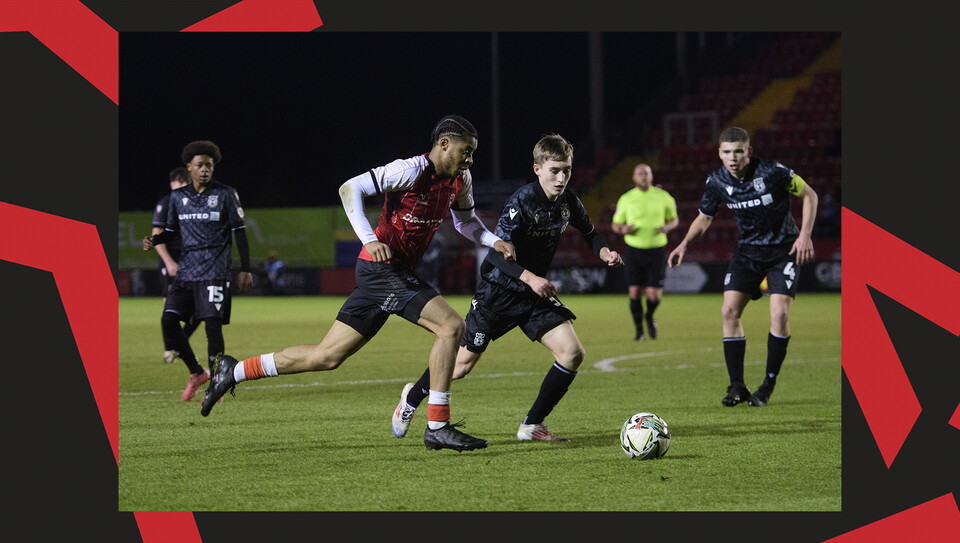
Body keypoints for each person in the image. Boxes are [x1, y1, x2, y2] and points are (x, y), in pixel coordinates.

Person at [199, 114, 516, 452]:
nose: (470, 159)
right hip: (382, 270)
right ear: (443, 144)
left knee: (326, 356)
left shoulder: (460, 179)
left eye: (472, 153)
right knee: (452, 327)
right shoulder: (409, 170)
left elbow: (465, 221)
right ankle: (437, 426)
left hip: (388, 273)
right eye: (465, 151)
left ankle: (233, 371)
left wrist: (492, 240)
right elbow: (349, 188)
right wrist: (368, 239)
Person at [392, 133, 623, 442]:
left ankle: (532, 425)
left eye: (566, 170)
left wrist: (605, 252)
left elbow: (591, 232)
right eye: (555, 170)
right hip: (497, 294)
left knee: (572, 353)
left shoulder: (569, 201)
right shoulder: (522, 202)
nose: (561, 177)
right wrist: (531, 277)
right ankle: (411, 398)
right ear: (537, 169)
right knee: (459, 367)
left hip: (533, 296)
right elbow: (495, 255)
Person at [667, 127, 818, 407]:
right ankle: (737, 385)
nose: (733, 157)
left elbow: (810, 195)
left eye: (738, 151)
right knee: (728, 311)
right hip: (747, 252)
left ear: (748, 151)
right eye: (727, 152)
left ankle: (768, 385)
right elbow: (704, 217)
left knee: (780, 315)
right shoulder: (716, 181)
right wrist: (684, 244)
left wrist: (805, 234)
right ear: (720, 154)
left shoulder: (774, 171)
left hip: (782, 251)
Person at [143, 140, 253, 401]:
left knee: (212, 329)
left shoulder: (226, 194)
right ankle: (196, 371)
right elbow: (171, 231)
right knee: (168, 321)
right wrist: (155, 240)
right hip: (186, 273)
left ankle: (217, 382)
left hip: (215, 272)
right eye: (200, 165)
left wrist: (245, 269)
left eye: (209, 165)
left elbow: (240, 233)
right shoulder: (178, 198)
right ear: (188, 167)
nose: (205, 169)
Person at [610, 163, 679, 341]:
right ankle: (639, 330)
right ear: (633, 177)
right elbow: (615, 225)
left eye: (646, 173)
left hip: (657, 250)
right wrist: (623, 229)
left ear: (651, 176)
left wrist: (668, 226)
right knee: (634, 292)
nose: (643, 176)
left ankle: (649, 316)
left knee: (653, 295)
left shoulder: (664, 197)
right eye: (640, 173)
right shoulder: (626, 198)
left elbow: (674, 220)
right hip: (633, 250)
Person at [153, 166, 200, 363]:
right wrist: (169, 261)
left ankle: (177, 346)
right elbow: (156, 235)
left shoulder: (193, 203)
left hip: (191, 263)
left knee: (201, 309)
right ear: (174, 184)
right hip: (172, 262)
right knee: (170, 309)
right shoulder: (166, 203)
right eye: (184, 183)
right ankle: (169, 350)